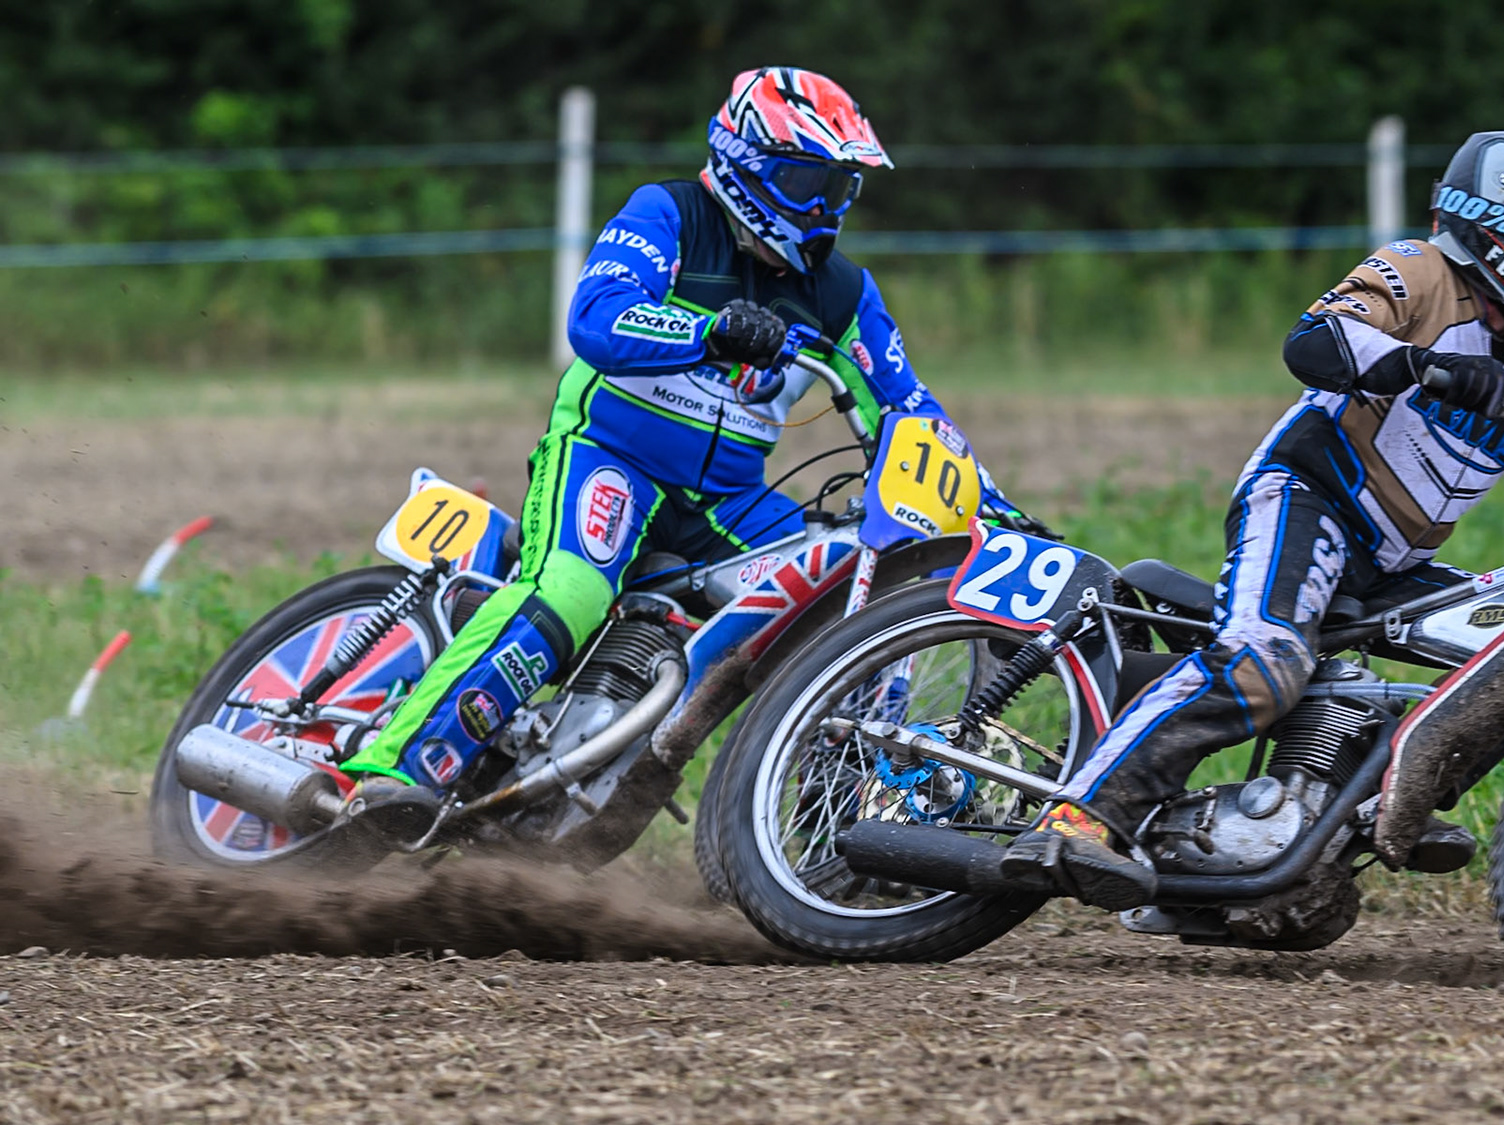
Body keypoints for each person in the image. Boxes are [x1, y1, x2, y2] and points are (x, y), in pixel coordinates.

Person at [337, 66, 1025, 837]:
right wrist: (708, 330)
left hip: (727, 502)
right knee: (568, 590)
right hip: (608, 455)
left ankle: (844, 815)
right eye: (808, 182)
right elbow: (597, 318)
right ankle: (393, 774)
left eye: (841, 189)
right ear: (746, 165)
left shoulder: (843, 293)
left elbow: (909, 409)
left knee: (845, 588)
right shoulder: (668, 213)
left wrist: (995, 510)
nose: (826, 210)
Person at [1002, 130, 1504, 909]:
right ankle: (1083, 814)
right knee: (1265, 658)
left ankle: (1370, 803)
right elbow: (1314, 341)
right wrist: (1427, 366)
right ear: (1492, 225)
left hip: (1393, 564)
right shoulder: (1421, 272)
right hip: (1307, 500)